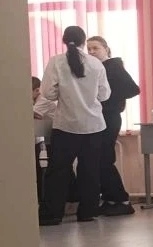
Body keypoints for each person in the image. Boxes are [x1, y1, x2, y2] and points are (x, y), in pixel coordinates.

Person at [38, 25, 110, 226]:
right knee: (90, 170)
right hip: (94, 126)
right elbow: (105, 95)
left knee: (58, 172)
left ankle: (52, 214)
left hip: (66, 126)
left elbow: (48, 93)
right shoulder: (96, 64)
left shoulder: (56, 62)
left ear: (64, 40)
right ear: (83, 41)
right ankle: (87, 212)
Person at [86, 36, 141, 216]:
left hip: (109, 117)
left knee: (104, 159)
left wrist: (109, 98)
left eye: (95, 48)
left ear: (106, 49)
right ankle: (111, 199)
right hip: (100, 118)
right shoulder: (96, 68)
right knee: (101, 159)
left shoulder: (113, 66)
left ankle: (121, 199)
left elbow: (133, 89)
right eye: (89, 49)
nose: (92, 52)